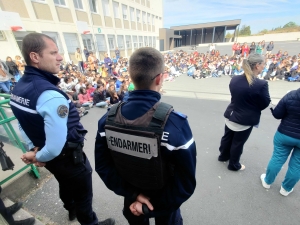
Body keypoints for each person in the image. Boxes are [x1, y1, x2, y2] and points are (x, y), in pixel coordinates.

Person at [10, 33, 114, 225]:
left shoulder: (19, 88)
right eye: (54, 52)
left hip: (48, 155)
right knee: (84, 196)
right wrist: (38, 157)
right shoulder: (49, 95)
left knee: (64, 183)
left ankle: (71, 210)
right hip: (67, 158)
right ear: (35, 57)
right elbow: (56, 147)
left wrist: (36, 149)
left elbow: (24, 123)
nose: (60, 57)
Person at [94, 47, 197, 225]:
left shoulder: (107, 120)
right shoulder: (174, 124)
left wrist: (134, 196)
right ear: (159, 78)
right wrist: (153, 206)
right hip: (164, 202)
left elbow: (103, 167)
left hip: (131, 198)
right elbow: (185, 183)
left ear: (132, 77)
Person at [218, 54, 271, 171]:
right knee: (238, 143)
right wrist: (252, 107)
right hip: (245, 119)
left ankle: (223, 156)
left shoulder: (235, 79)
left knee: (227, 137)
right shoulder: (261, 84)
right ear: (257, 65)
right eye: (263, 64)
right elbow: (265, 103)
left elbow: (235, 95)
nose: (264, 66)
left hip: (231, 114)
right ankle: (233, 164)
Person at [260, 89, 300, 196]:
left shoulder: (291, 95)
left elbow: (277, 114)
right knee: (297, 165)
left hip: (285, 134)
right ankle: (286, 189)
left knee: (277, 158)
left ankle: (267, 182)